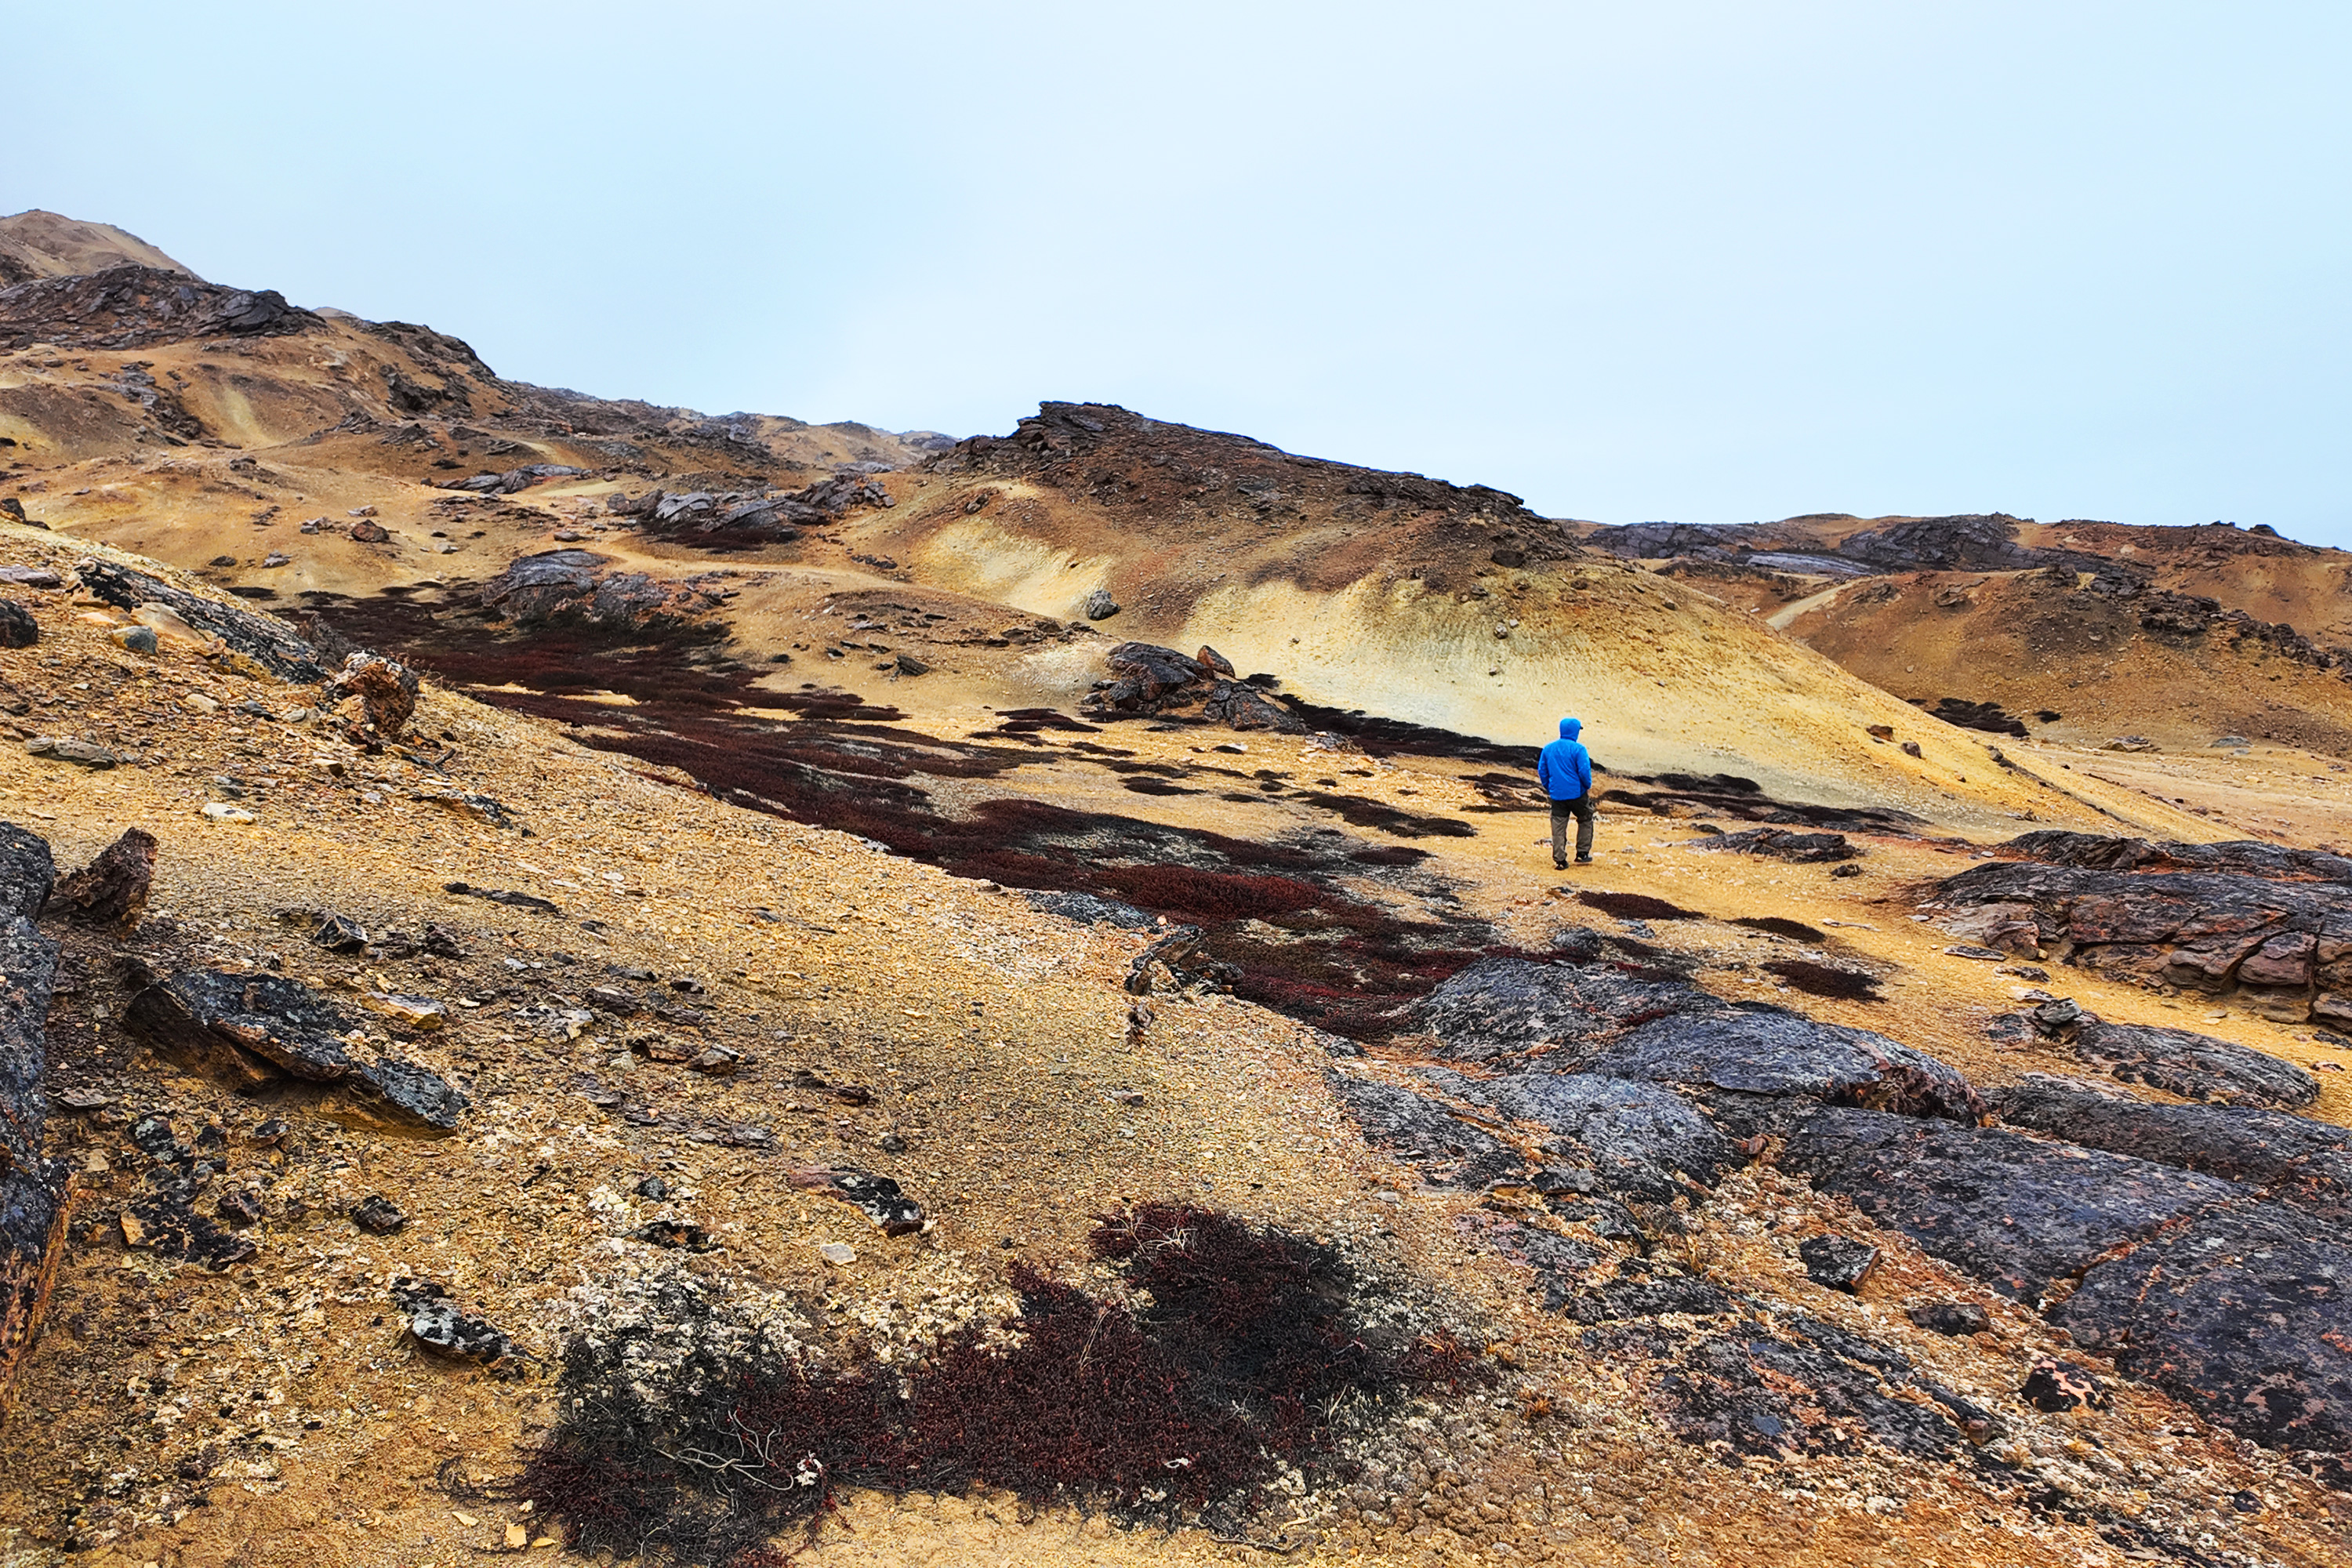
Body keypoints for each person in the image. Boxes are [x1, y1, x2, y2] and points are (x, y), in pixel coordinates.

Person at [1537, 715, 1594, 869]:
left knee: (1558, 825)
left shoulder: (1549, 748)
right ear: (1575, 731)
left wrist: (1549, 786)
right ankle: (1582, 854)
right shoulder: (1579, 749)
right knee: (1585, 818)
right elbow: (1584, 771)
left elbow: (1542, 770)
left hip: (1557, 794)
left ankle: (1560, 860)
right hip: (1577, 793)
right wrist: (1586, 786)